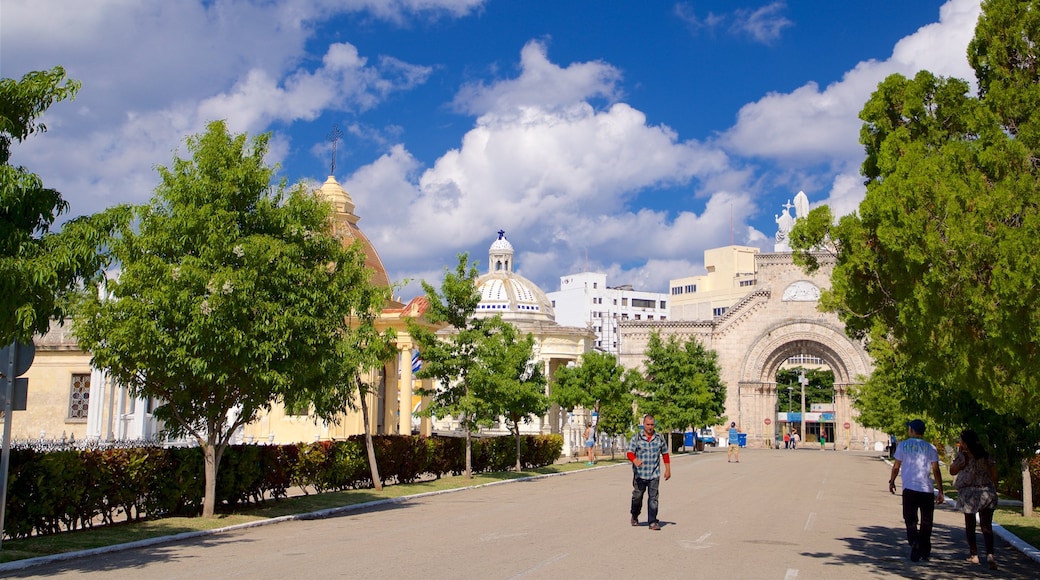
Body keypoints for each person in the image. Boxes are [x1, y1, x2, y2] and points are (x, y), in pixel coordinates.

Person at [889, 419, 944, 562]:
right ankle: (924, 549)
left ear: (912, 430)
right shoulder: (930, 447)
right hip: (926, 489)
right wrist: (941, 491)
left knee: (910, 519)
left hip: (910, 489)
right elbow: (936, 470)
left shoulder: (903, 445)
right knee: (927, 521)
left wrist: (892, 481)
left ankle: (914, 542)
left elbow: (896, 467)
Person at [949, 429, 999, 570]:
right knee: (986, 526)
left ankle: (974, 555)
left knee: (970, 524)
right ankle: (990, 554)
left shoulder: (963, 457)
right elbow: (994, 473)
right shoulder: (986, 456)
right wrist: (994, 488)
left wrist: (961, 461)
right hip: (986, 492)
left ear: (965, 443)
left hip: (969, 493)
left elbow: (952, 470)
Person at [627, 414, 671, 530]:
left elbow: (665, 454)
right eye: (648, 424)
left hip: (654, 474)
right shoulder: (636, 438)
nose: (650, 427)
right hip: (640, 474)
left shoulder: (659, 438)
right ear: (643, 424)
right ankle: (634, 515)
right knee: (637, 497)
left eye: (652, 425)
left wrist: (668, 469)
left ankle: (652, 521)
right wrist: (634, 460)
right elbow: (629, 452)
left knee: (653, 499)